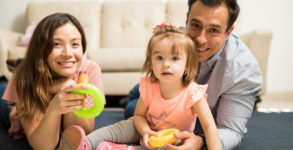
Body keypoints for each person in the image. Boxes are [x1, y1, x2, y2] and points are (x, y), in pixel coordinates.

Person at [124, 0, 263, 149]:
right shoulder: (176, 40)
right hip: (161, 89)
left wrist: (200, 141)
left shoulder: (244, 71)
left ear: (228, 32)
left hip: (190, 114)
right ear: (187, 20)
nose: (200, 40)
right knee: (133, 107)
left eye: (213, 30)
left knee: (134, 107)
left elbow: (232, 131)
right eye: (196, 26)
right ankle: (135, 92)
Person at [58, 23, 221, 150]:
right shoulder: (150, 86)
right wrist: (145, 131)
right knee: (120, 128)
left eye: (175, 58)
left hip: (173, 140)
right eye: (159, 58)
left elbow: (209, 126)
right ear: (150, 62)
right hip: (146, 129)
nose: (166, 64)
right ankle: (86, 144)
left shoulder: (193, 94)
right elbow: (139, 116)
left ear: (187, 65)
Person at [1, 13, 105, 149]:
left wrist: (71, 90)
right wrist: (54, 109)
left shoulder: (89, 69)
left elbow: (82, 132)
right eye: (57, 44)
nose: (68, 53)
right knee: (2, 92)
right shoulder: (23, 76)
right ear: (41, 50)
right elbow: (43, 146)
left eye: (75, 44)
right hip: (13, 113)